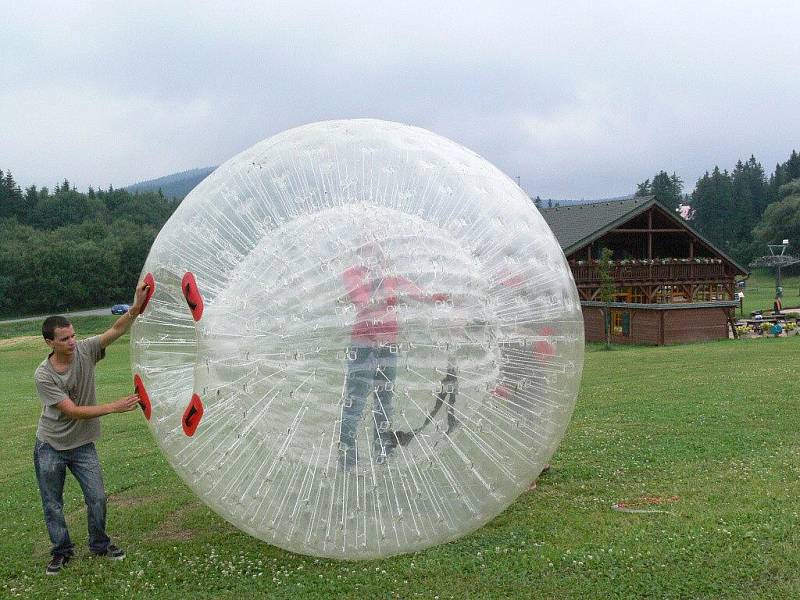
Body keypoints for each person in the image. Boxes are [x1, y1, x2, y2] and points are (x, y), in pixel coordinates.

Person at [34, 281, 150, 575]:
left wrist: (135, 307)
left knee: (97, 496)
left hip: (82, 445)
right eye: (64, 339)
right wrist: (113, 407)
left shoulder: (86, 350)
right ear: (49, 342)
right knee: (53, 504)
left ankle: (99, 544)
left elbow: (116, 331)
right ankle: (61, 551)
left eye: (73, 336)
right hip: (50, 445)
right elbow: (72, 412)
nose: (72, 342)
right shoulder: (44, 375)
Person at [338, 243, 446, 470]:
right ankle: (347, 458)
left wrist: (441, 297)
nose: (374, 247)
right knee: (355, 402)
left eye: (378, 243)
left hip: (389, 346)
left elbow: (415, 291)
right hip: (364, 346)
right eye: (368, 243)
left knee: (384, 401)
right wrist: (388, 295)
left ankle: (383, 452)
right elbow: (361, 300)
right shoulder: (352, 273)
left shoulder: (390, 275)